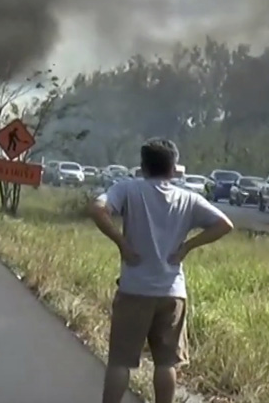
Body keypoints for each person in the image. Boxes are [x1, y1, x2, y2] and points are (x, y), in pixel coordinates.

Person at [89, 138, 234, 403]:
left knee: (121, 361)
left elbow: (98, 209)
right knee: (166, 363)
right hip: (172, 291)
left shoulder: (128, 189)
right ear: (173, 167)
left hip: (134, 288)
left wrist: (122, 243)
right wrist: (187, 246)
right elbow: (224, 224)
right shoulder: (188, 198)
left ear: (143, 166)